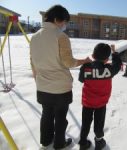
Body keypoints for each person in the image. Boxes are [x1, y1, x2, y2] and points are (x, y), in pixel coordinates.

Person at [30, 5, 91, 150]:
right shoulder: (61, 36)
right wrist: (84, 61)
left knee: (46, 115)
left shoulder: (34, 36)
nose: (64, 25)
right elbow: (68, 62)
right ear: (57, 19)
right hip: (60, 89)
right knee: (60, 118)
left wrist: (38, 80)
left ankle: (45, 140)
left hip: (42, 86)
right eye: (64, 22)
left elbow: (32, 62)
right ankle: (59, 143)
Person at [78, 43, 122, 150]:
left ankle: (83, 142)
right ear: (107, 59)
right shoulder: (109, 69)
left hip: (87, 102)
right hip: (101, 103)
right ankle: (99, 141)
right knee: (99, 123)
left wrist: (85, 64)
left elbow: (81, 79)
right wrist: (114, 52)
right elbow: (118, 64)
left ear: (93, 55)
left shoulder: (86, 67)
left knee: (85, 123)